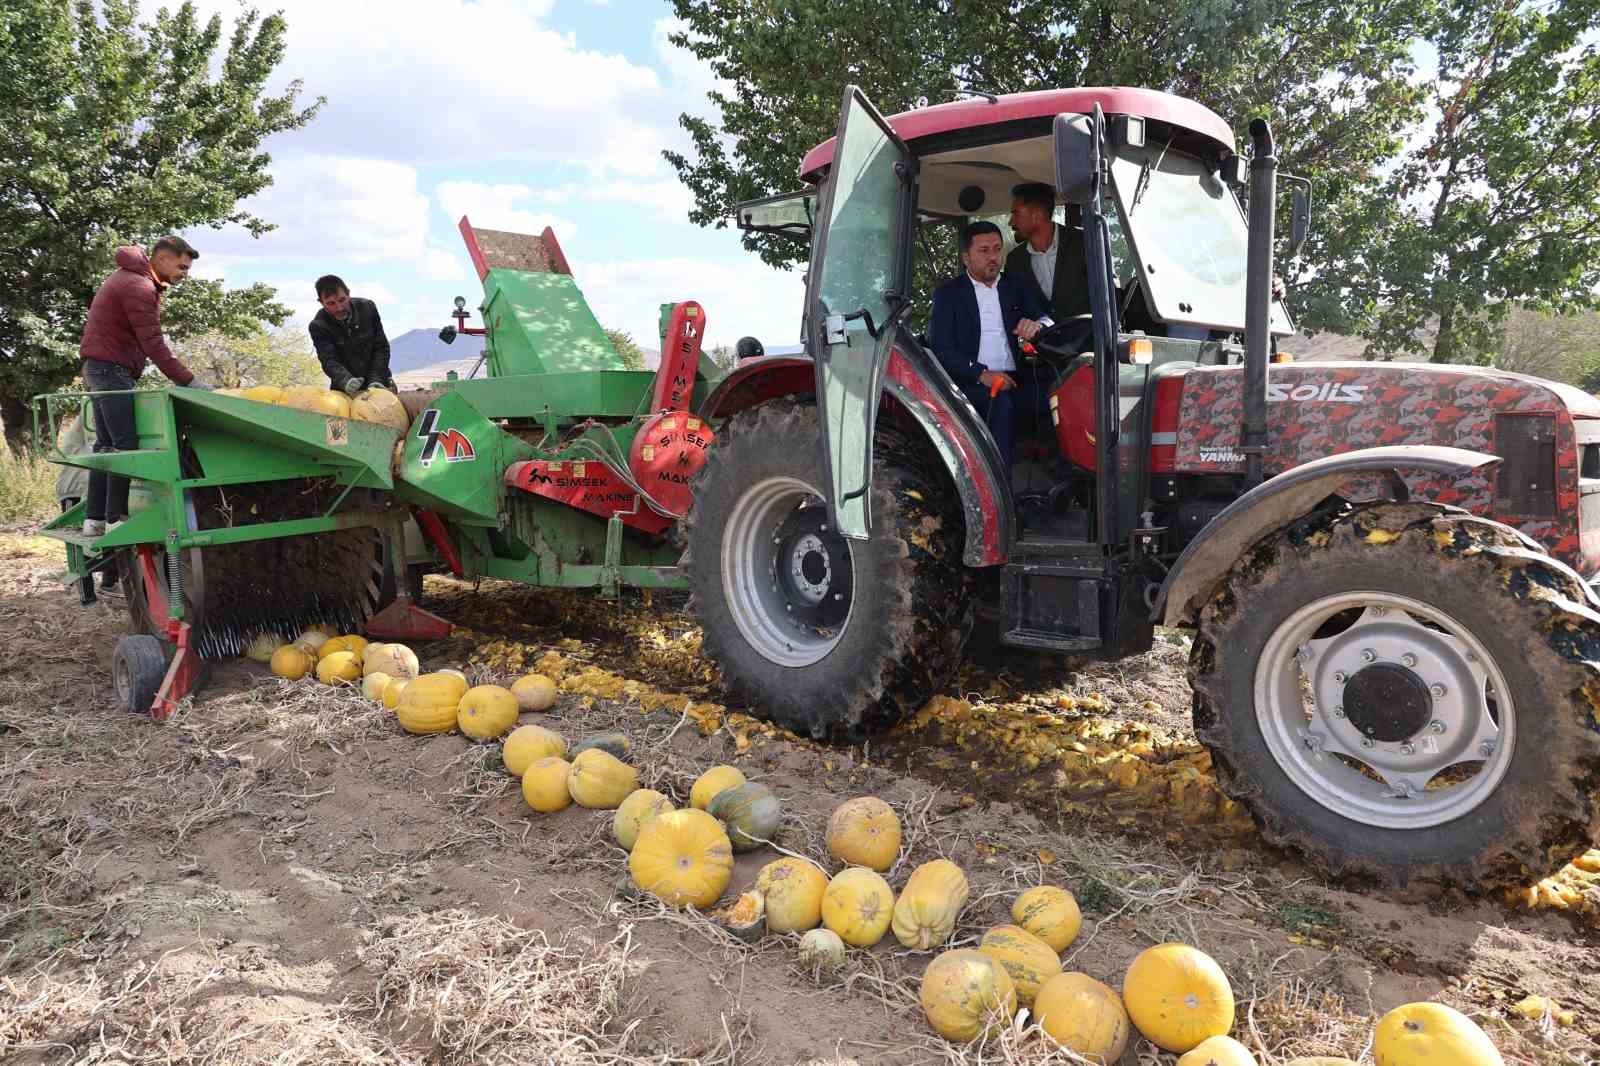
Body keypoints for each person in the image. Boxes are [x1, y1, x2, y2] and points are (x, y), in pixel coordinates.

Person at [76, 236, 206, 538]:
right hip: (110, 369)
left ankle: (94, 519)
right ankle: (115, 518)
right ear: (162, 259)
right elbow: (154, 344)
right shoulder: (139, 286)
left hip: (97, 367)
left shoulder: (131, 279)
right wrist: (189, 381)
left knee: (105, 446)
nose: (184, 274)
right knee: (124, 444)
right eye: (182, 267)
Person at [927, 221, 1051, 470]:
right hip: (972, 380)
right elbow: (941, 349)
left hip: (1018, 378)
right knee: (1001, 405)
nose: (993, 257)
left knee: (1059, 395)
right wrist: (981, 374)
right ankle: (1000, 492)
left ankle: (1062, 486)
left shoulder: (1016, 286)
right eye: (984, 251)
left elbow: (1047, 319)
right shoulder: (948, 294)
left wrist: (1037, 327)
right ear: (966, 257)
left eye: (997, 249)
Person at [1006, 182, 1090, 320]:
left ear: (1037, 215)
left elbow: (1110, 296)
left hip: (1091, 340)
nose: (1011, 222)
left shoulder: (1084, 243)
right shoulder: (1014, 261)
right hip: (1043, 341)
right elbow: (1015, 308)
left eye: (1016, 213)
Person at [309, 276, 394, 395]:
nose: (339, 308)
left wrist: (376, 379)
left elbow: (381, 347)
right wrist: (345, 380)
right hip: (344, 391)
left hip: (380, 384)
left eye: (342, 300)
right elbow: (329, 360)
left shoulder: (368, 308)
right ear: (321, 302)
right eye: (331, 303)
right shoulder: (318, 326)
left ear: (348, 294)